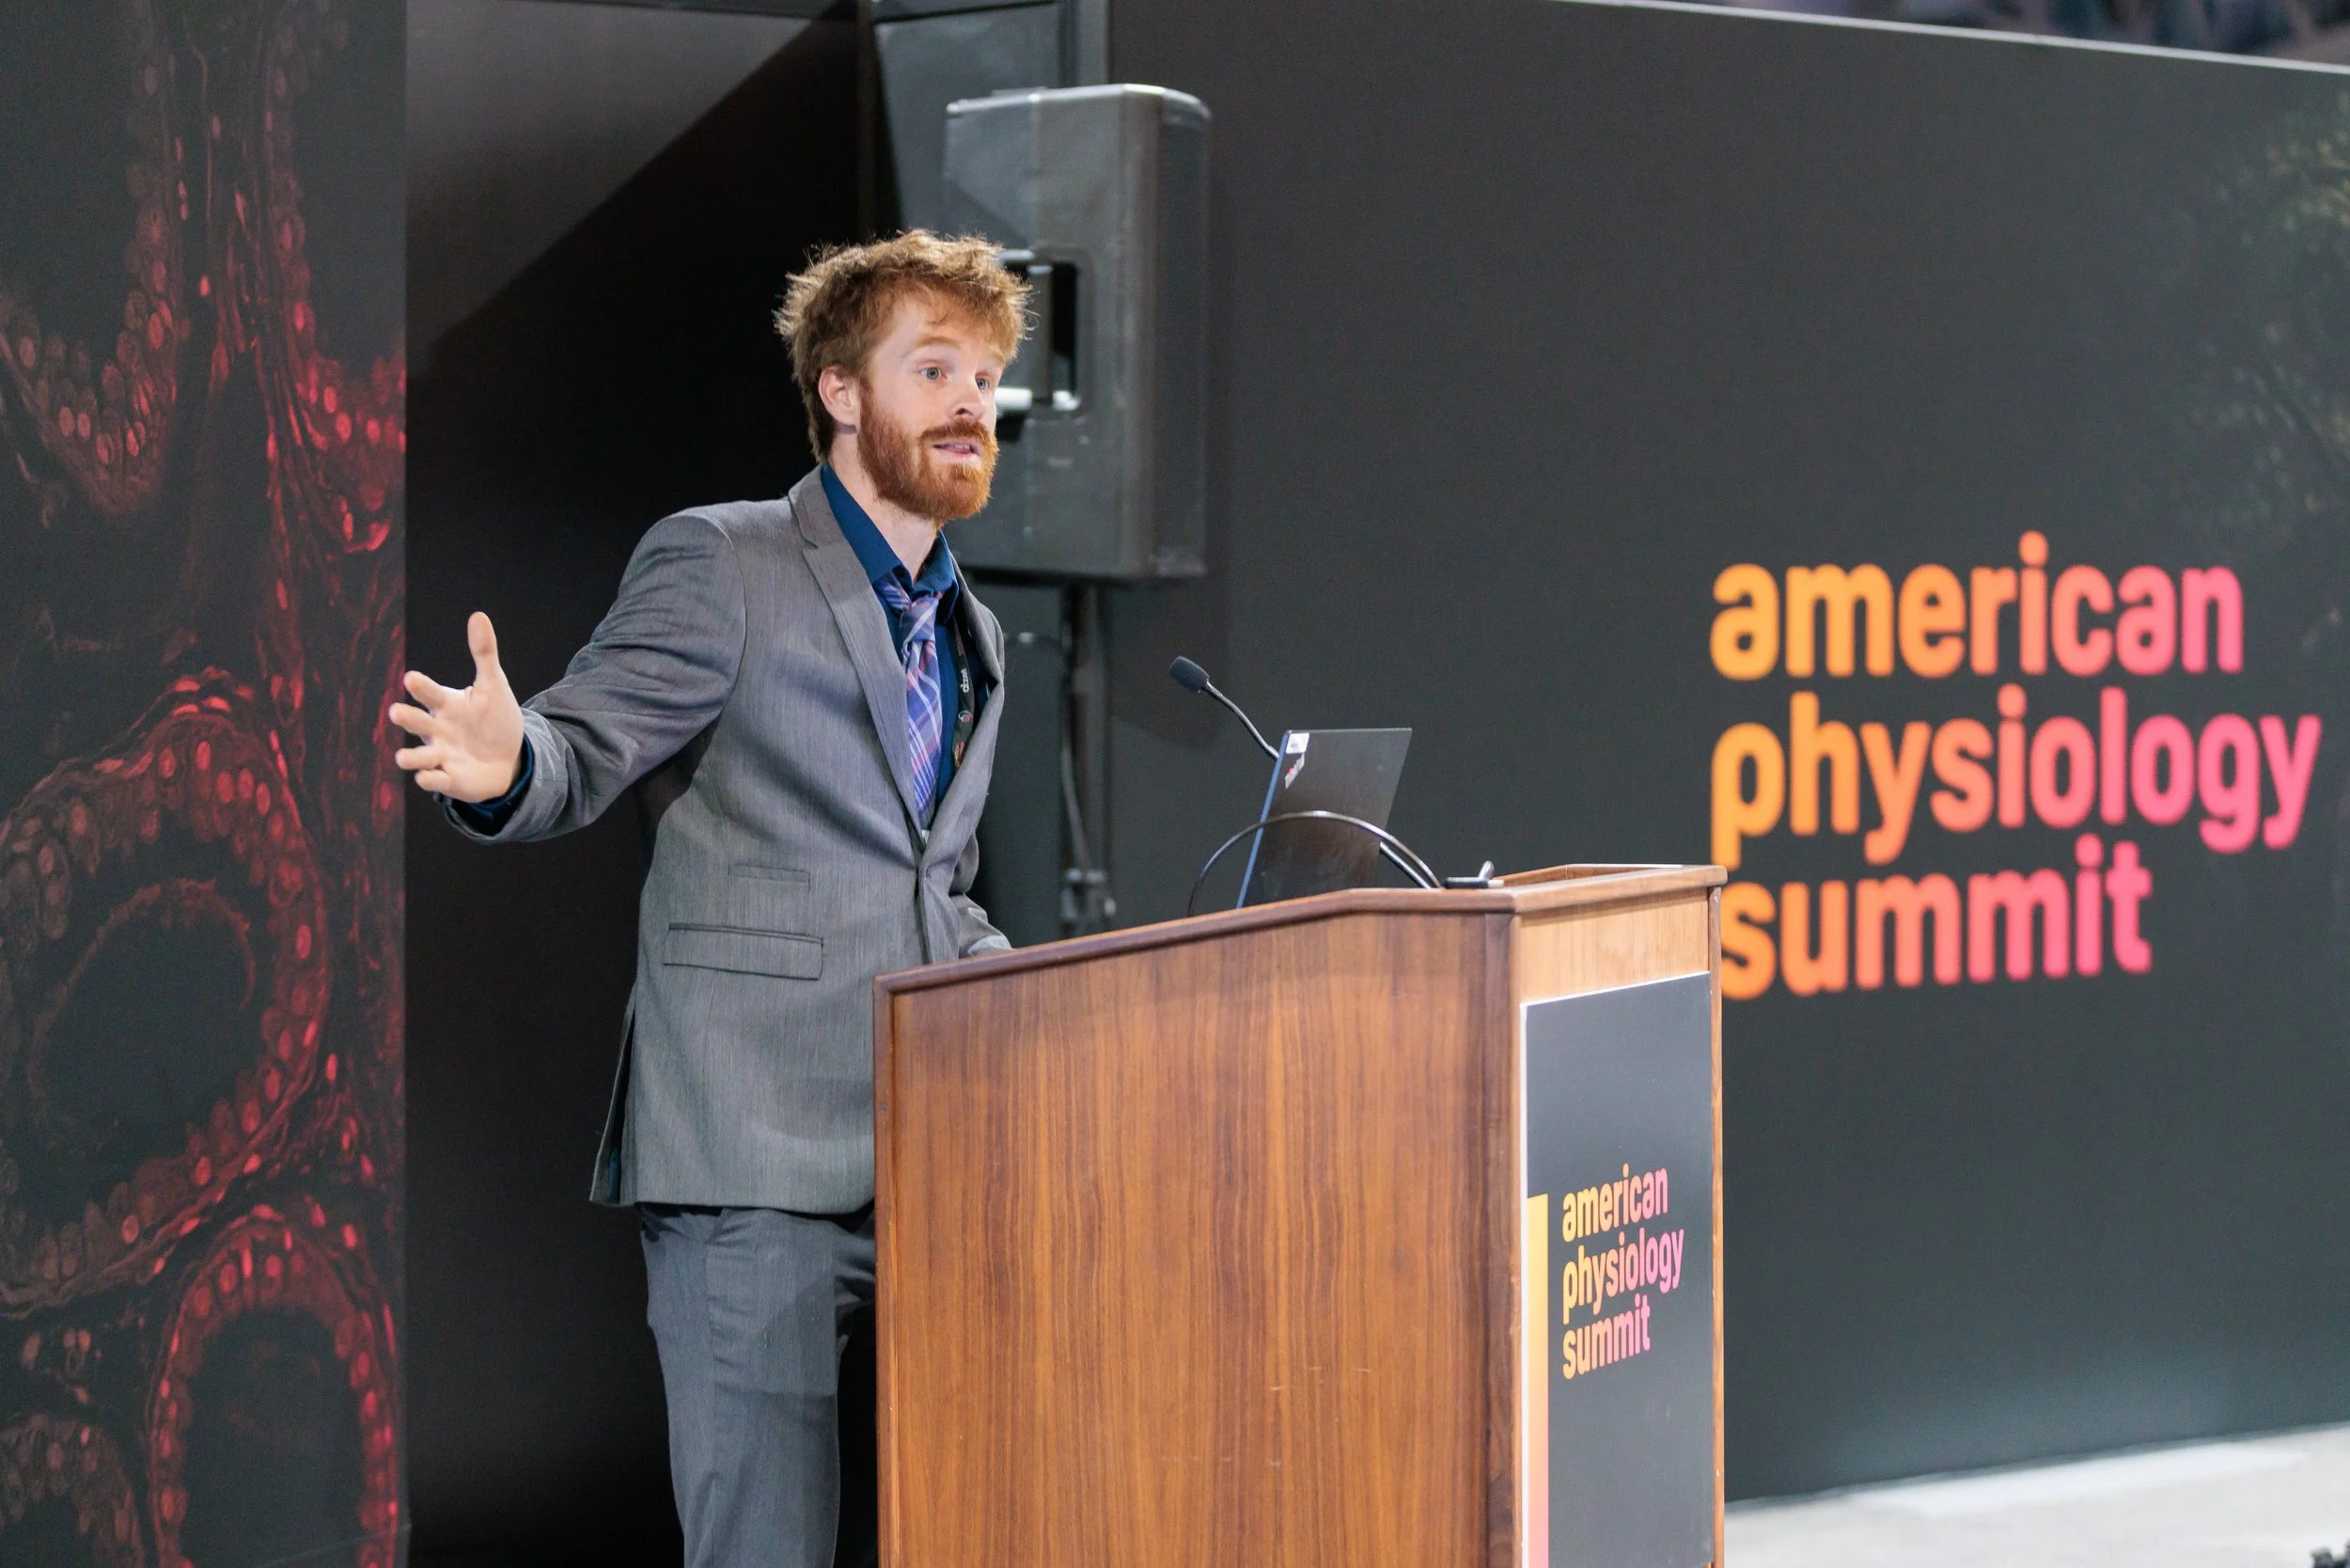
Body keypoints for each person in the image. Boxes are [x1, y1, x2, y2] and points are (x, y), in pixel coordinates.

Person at [388, 231, 1026, 1568]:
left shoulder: (973, 629)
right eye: (935, 370)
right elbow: (577, 749)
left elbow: (927, 880)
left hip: (929, 1162)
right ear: (845, 392)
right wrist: (508, 768)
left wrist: (1024, 987)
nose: (973, 404)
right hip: (749, 1162)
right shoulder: (725, 564)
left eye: (986, 375)